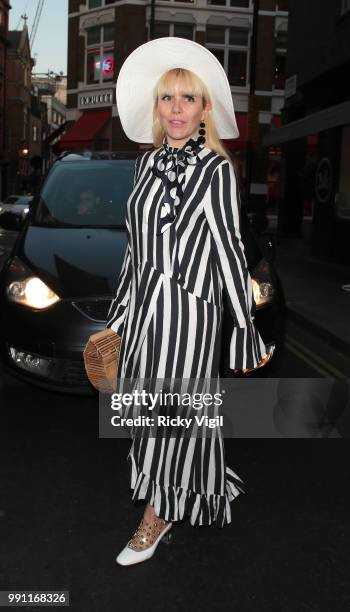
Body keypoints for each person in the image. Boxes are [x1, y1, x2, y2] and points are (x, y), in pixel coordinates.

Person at [106, 37, 269, 566]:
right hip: (146, 313)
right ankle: (197, 485)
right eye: (167, 98)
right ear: (156, 107)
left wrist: (243, 329)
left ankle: (155, 517)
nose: (176, 109)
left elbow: (228, 248)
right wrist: (118, 317)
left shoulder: (217, 171)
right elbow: (135, 249)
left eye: (188, 98)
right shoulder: (144, 166)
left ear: (205, 109)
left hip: (191, 315)